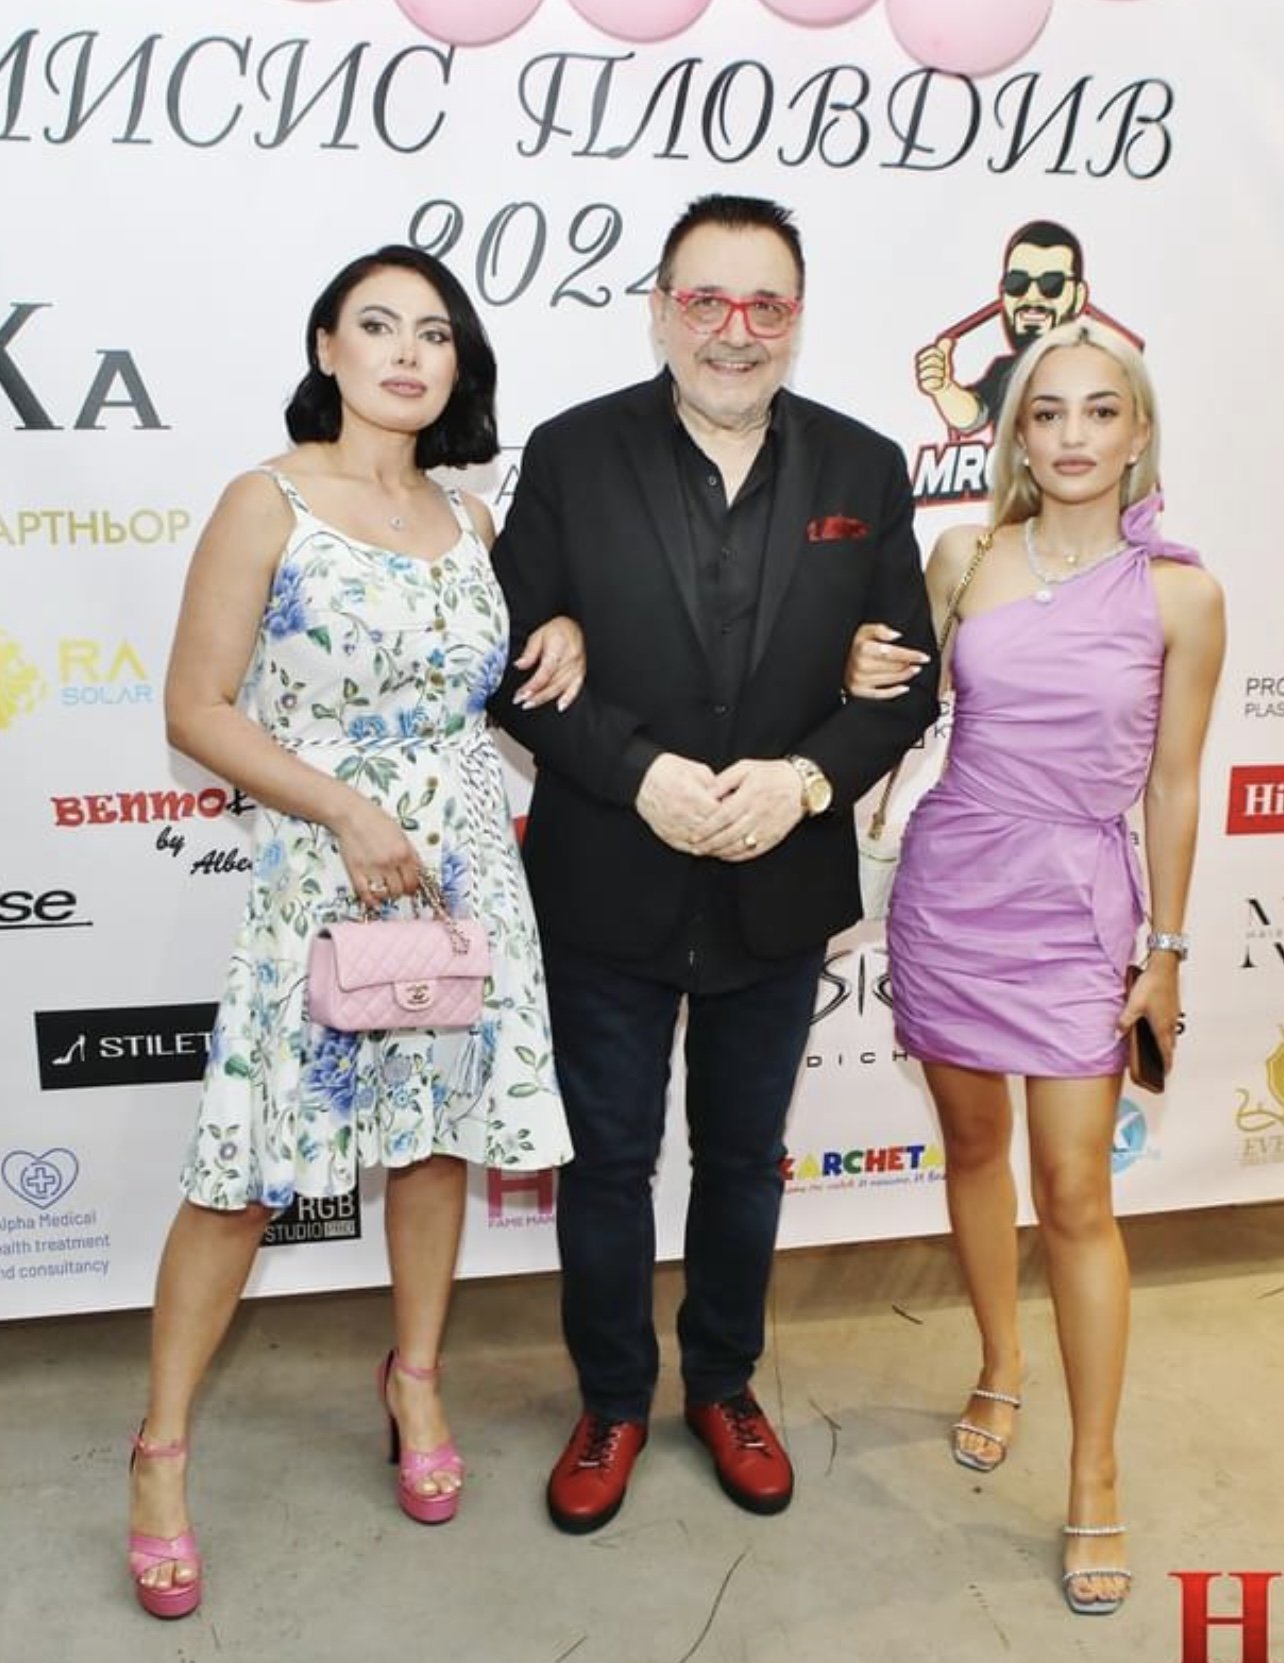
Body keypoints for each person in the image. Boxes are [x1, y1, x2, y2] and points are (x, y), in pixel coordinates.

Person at [127, 245, 580, 1619]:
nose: (406, 352)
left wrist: (557, 632)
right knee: (245, 1171)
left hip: (458, 872)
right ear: (328, 346)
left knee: (434, 1138)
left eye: (433, 333)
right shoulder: (264, 501)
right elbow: (196, 707)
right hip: (323, 871)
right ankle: (159, 1451)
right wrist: (344, 811)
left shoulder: (471, 515)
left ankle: (416, 1378)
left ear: (457, 364)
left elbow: (491, 682)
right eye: (377, 325)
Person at [489, 194, 939, 1534]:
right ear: (659, 309)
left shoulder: (865, 467)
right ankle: (612, 1399)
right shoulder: (571, 452)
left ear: (797, 316)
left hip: (778, 879)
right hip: (608, 873)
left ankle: (726, 1385)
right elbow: (508, 662)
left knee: (744, 1161)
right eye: (705, 299)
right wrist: (641, 772)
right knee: (607, 1162)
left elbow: (905, 682)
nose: (734, 331)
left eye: (765, 304)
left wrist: (804, 780)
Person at [846, 319, 1224, 1613]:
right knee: (970, 1147)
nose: (1070, 434)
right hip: (953, 888)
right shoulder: (963, 556)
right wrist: (859, 664)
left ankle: (1095, 1470)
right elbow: (895, 708)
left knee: (1075, 1193)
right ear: (1013, 432)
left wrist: (1166, 951)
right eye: (1045, 412)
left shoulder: (1180, 594)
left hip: (1077, 906)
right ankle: (1000, 1362)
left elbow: (1175, 784)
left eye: (1098, 411)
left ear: (1137, 432)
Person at [916, 220, 1087, 436]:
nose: (1032, 296)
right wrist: (943, 388)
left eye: (1051, 284)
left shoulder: (1101, 367)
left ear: (1078, 296)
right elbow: (973, 417)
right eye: (1017, 283)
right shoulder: (1006, 369)